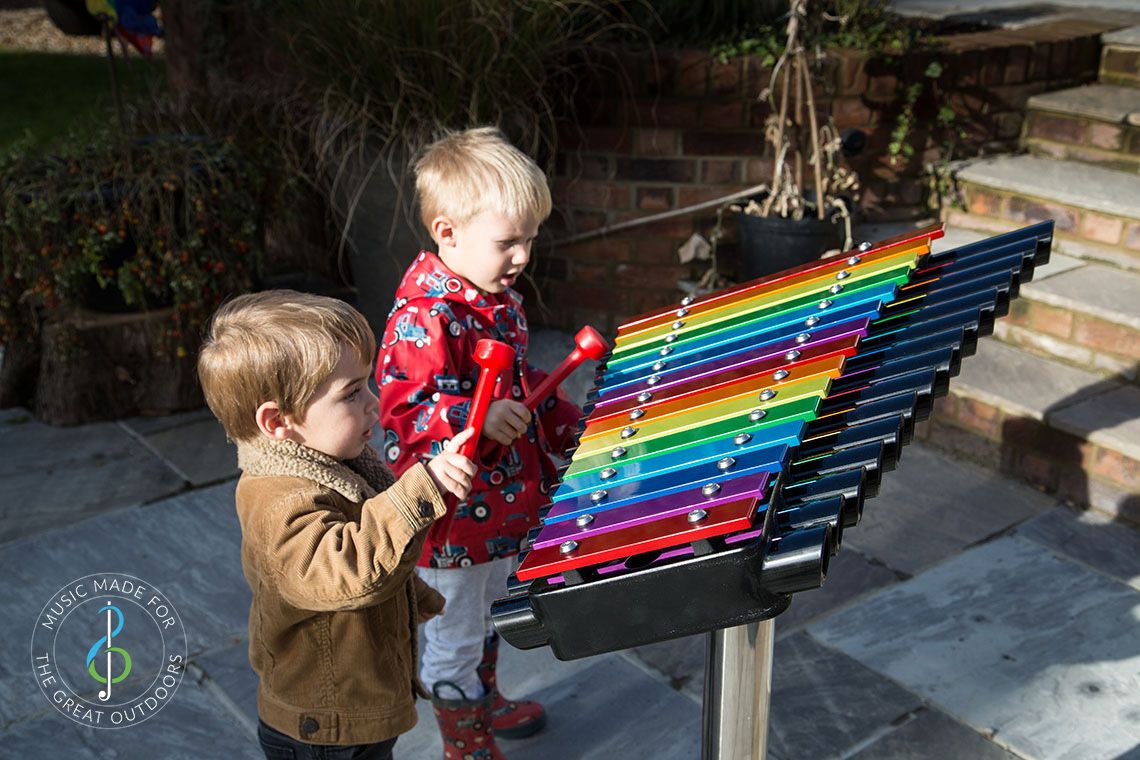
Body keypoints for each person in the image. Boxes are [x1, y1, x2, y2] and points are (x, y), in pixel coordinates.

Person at [197, 290, 479, 760]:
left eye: (367, 385)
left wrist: (414, 599)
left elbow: (371, 548)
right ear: (277, 421)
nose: (374, 402)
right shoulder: (279, 500)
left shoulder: (329, 461)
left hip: (352, 709)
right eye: (351, 392)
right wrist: (419, 489)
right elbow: (348, 572)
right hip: (323, 731)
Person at [376, 127, 582, 759]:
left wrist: (563, 423)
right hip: (452, 518)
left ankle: (483, 701)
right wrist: (475, 414)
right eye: (507, 241)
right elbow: (401, 408)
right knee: (455, 634)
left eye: (530, 239)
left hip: (503, 506)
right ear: (448, 233)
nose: (522, 255)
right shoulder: (424, 318)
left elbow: (522, 393)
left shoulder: (502, 304)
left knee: (490, 615)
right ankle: (462, 742)